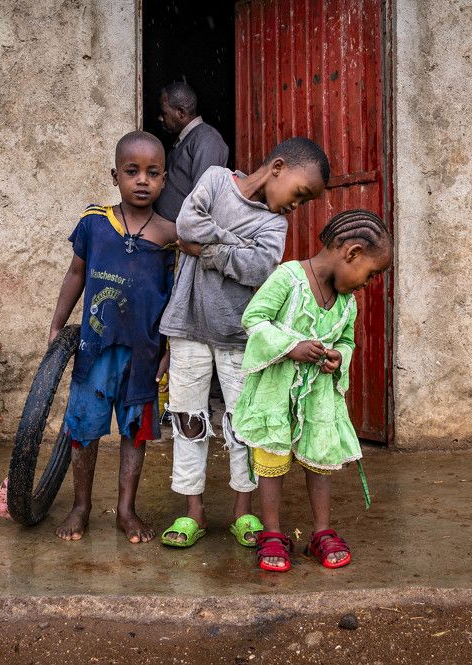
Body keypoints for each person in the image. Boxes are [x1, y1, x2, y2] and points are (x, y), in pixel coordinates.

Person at [159, 137, 330, 548]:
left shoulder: (275, 224)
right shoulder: (216, 180)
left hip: (240, 336)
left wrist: (207, 249)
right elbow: (186, 226)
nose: (296, 205)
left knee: (243, 424)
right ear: (277, 168)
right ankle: (193, 512)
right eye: (299, 193)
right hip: (186, 325)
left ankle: (243, 510)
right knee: (187, 418)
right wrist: (235, 243)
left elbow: (259, 268)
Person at [232, 209, 393, 572]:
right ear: (351, 253)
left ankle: (321, 532)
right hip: (275, 393)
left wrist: (339, 356)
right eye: (370, 274)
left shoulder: (347, 302)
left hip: (318, 396)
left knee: (318, 458)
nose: (367, 284)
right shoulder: (287, 278)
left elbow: (347, 340)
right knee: (271, 458)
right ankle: (273, 533)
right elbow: (253, 318)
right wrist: (291, 347)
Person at [48, 130, 177, 544]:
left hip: (144, 352)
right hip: (96, 348)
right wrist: (57, 324)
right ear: (115, 175)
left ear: (164, 180)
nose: (142, 180)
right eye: (132, 171)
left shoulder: (170, 236)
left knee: (135, 431)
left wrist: (170, 350)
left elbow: (176, 300)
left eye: (153, 173)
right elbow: (76, 274)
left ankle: (126, 509)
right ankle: (80, 506)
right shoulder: (94, 222)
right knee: (84, 428)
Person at [155, 81, 230, 223]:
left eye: (164, 113)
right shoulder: (186, 138)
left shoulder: (208, 140)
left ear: (181, 113)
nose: (160, 118)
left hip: (181, 233)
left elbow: (203, 198)